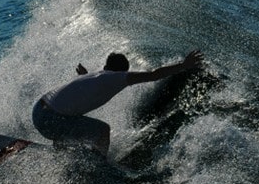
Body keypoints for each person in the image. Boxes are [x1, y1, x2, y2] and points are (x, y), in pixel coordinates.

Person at [32, 50, 204, 156]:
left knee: (71, 122)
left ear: (107, 66)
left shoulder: (96, 75)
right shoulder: (117, 77)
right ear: (123, 71)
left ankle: (59, 154)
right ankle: (100, 164)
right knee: (102, 131)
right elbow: (153, 74)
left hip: (39, 111)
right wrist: (184, 65)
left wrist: (84, 74)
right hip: (52, 121)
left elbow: (81, 87)